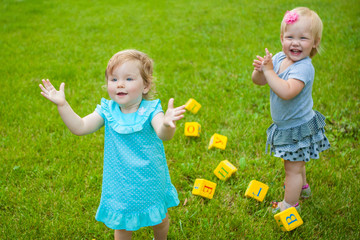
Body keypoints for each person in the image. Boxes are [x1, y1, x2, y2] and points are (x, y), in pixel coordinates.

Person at [39, 49, 186, 239]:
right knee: (123, 227)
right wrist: (62, 105)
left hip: (150, 180)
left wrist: (168, 124)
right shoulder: (107, 111)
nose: (120, 84)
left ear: (146, 85)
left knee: (160, 219)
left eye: (129, 79)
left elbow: (163, 134)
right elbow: (80, 127)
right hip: (121, 184)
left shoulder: (151, 110)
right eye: (114, 79)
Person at [251, 7, 330, 213]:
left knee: (292, 169)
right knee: (297, 163)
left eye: (303, 38)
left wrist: (269, 72)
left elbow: (287, 91)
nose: (295, 42)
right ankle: (303, 188)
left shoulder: (304, 67)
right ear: (281, 38)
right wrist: (261, 71)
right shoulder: (277, 58)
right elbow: (258, 81)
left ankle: (289, 205)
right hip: (289, 125)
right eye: (290, 37)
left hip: (297, 128)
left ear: (315, 42)